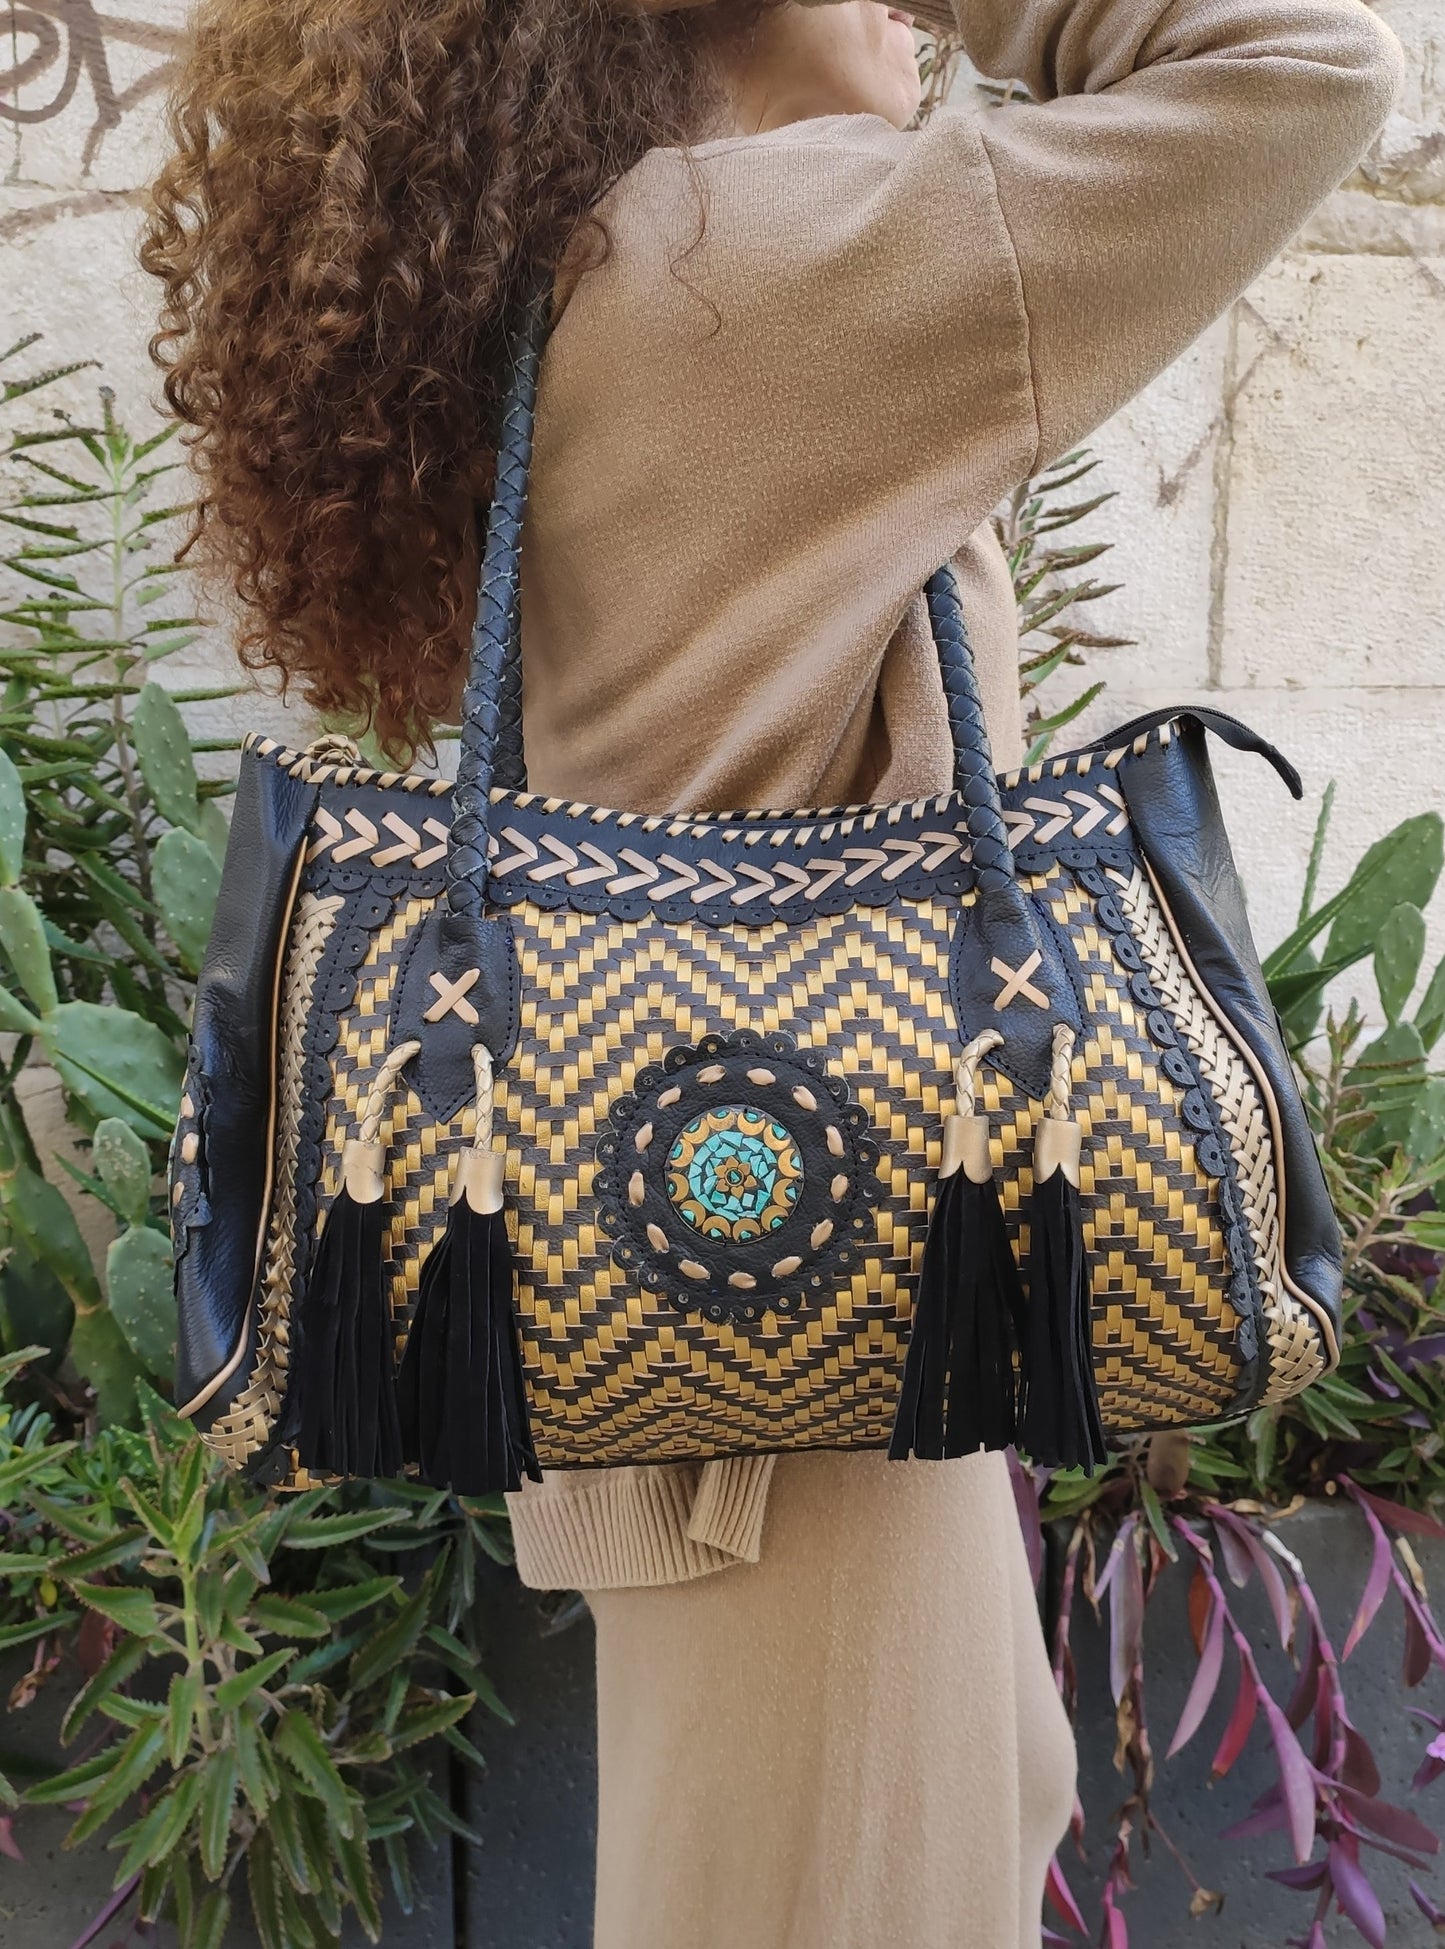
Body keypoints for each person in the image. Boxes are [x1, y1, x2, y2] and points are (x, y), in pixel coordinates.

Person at [143, 1, 1401, 1943]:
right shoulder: (786, 250)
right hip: (812, 1383)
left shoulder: (592, 261)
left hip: (742, 1335)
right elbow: (1306, 65)